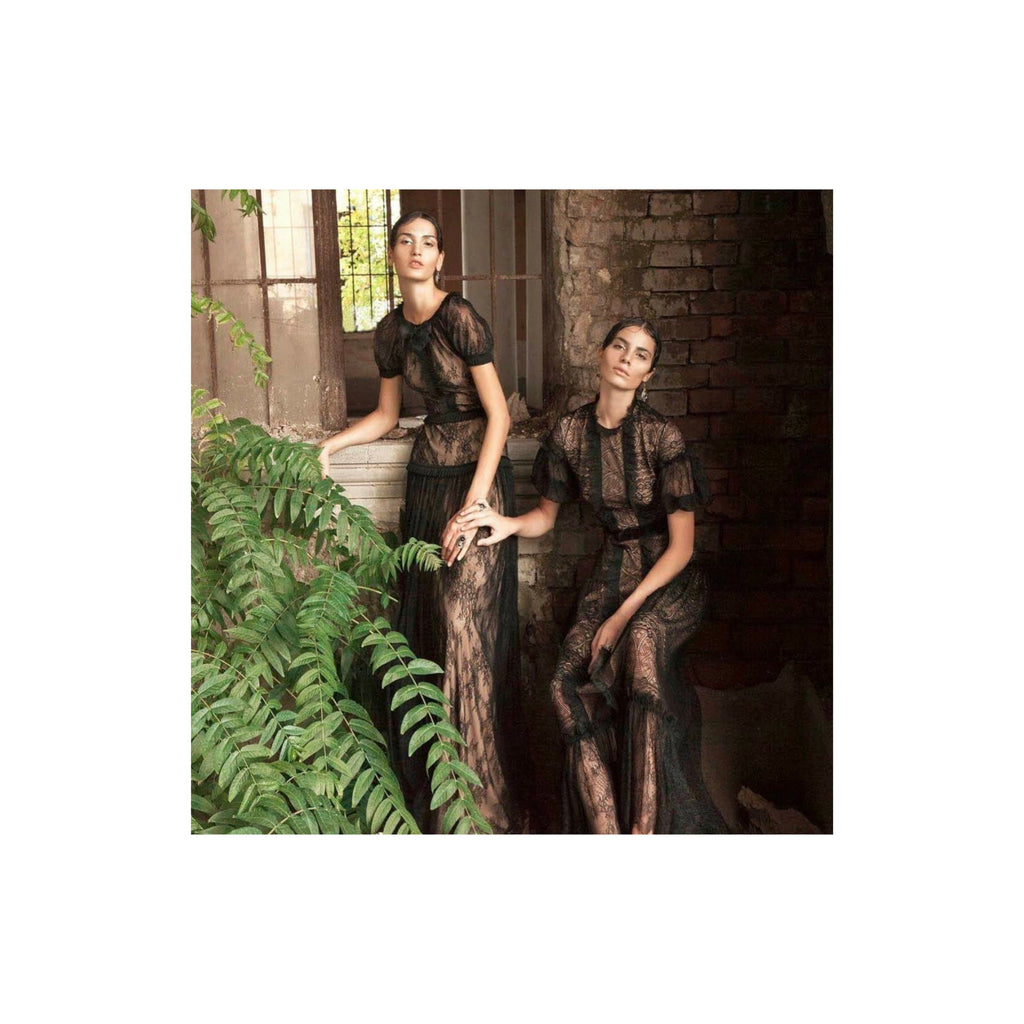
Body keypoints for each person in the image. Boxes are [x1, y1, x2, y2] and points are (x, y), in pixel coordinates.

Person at [455, 318, 728, 834]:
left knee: (641, 643)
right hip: (612, 571)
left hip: (669, 579)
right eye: (620, 347)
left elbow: (683, 548)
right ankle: (607, 833)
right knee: (563, 687)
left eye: (640, 354)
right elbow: (546, 517)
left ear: (648, 374)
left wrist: (622, 617)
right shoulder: (569, 432)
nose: (627, 358)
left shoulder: (661, 435)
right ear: (601, 354)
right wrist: (505, 523)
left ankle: (644, 830)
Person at [318, 212, 525, 834]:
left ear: (440, 260)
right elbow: (387, 415)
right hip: (427, 483)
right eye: (406, 241)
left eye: (428, 243)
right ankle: (445, 799)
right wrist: (331, 445)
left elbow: (499, 415)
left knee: (466, 629)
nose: (417, 250)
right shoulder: (389, 332)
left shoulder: (460, 316)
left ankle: (485, 803)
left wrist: (475, 506)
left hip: (477, 484)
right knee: (437, 630)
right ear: (391, 255)